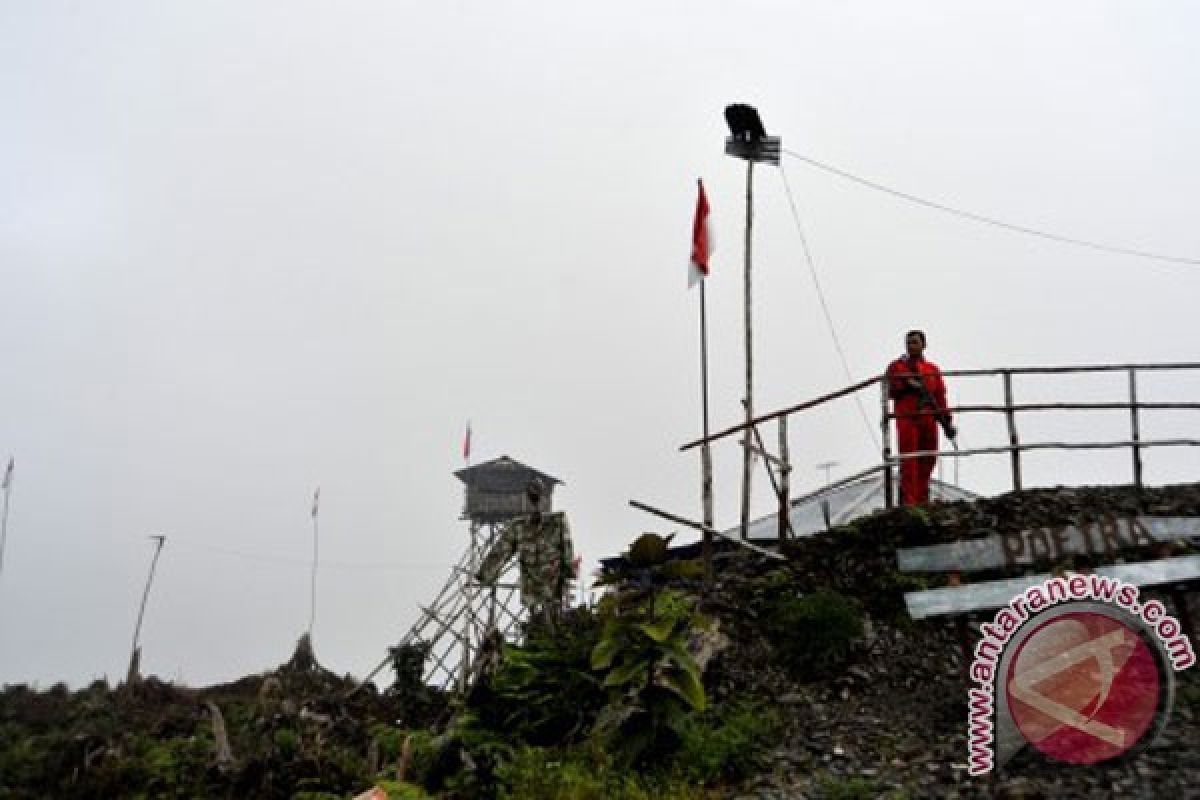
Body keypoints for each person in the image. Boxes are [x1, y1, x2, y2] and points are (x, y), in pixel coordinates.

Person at [475, 478, 575, 629]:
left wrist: (568, 574)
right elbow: (500, 550)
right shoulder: (518, 527)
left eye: (538, 496)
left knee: (556, 624)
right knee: (536, 624)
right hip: (532, 590)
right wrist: (484, 574)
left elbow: (567, 548)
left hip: (554, 588)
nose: (536, 501)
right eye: (532, 496)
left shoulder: (557, 521)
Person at [886, 330, 956, 505]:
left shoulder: (933, 369)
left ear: (924, 345)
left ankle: (922, 498)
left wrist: (946, 419)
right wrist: (908, 384)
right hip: (908, 418)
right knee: (909, 461)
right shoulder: (897, 366)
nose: (911, 346)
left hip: (929, 419)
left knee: (929, 457)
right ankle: (910, 502)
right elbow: (892, 388)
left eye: (915, 342)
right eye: (908, 343)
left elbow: (940, 396)